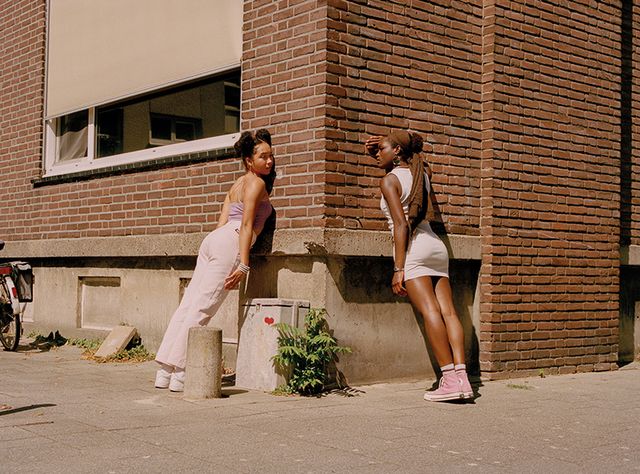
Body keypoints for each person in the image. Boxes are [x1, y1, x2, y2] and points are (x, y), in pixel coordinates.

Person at [154, 129, 276, 392]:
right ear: (249, 160)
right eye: (263, 157)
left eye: (271, 156)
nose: (269, 161)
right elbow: (246, 225)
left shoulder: (236, 184)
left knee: (189, 304)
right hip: (231, 241)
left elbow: (222, 222)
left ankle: (164, 371)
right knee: (202, 308)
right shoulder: (257, 184)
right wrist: (243, 264)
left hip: (213, 240)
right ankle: (181, 372)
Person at [366, 131, 473, 402]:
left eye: (381, 149)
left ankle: (449, 379)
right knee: (449, 312)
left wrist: (398, 268)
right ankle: (462, 379)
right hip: (436, 247)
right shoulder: (422, 174)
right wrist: (386, 148)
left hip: (413, 248)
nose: (377, 154)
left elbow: (401, 224)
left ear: (397, 151)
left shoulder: (389, 181)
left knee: (430, 312)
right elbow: (417, 164)